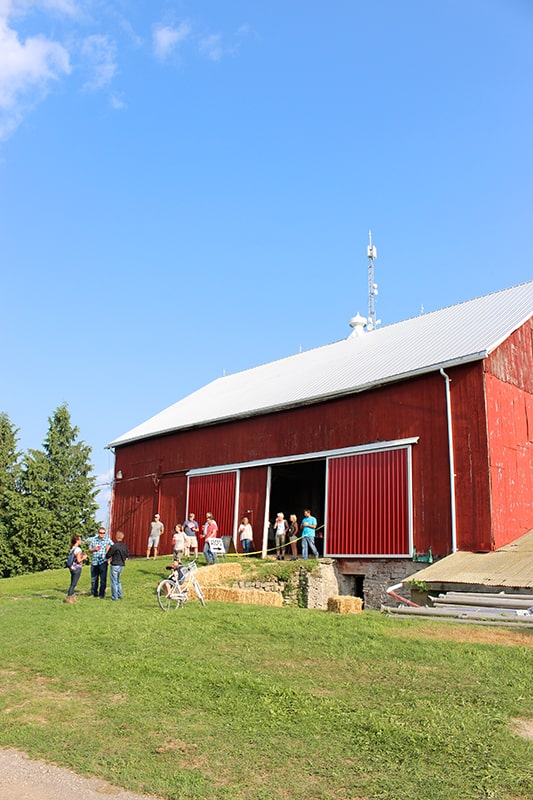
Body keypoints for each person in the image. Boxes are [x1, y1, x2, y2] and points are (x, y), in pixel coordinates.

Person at [88, 526, 113, 598]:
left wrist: (109, 554)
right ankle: (94, 593)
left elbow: (114, 547)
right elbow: (89, 549)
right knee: (94, 579)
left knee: (103, 579)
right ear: (98, 533)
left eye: (103, 533)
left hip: (103, 561)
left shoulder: (107, 540)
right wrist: (94, 549)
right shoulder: (94, 540)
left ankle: (102, 594)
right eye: (100, 533)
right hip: (95, 561)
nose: (102, 534)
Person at [106, 531, 130, 601]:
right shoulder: (124, 546)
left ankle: (114, 597)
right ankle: (120, 595)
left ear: (117, 537)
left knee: (114, 581)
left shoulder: (115, 546)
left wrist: (107, 551)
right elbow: (127, 555)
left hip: (115, 564)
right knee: (118, 581)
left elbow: (108, 555)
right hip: (121, 565)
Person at [66, 534, 87, 603]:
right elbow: (78, 560)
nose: (81, 541)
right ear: (77, 540)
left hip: (72, 568)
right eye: (80, 539)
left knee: (72, 582)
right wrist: (83, 557)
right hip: (77, 568)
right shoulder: (78, 549)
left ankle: (73, 598)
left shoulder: (72, 548)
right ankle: (69, 598)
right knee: (73, 584)